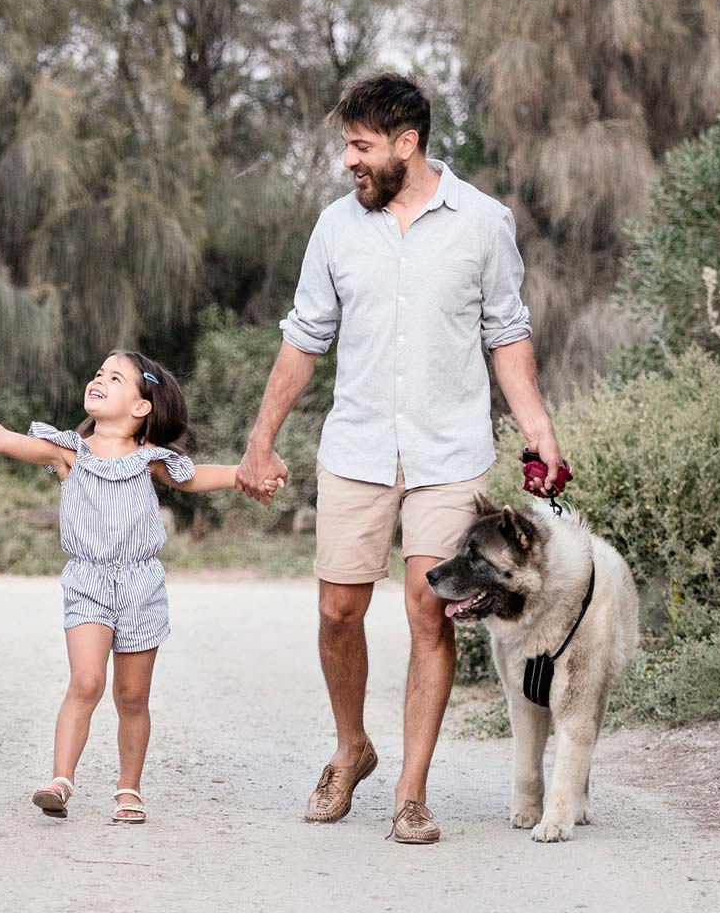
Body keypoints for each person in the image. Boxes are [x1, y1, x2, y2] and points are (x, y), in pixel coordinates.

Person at [234, 72, 566, 844]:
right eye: (347, 147)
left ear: (407, 143)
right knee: (337, 612)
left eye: (361, 146)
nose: (349, 161)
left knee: (428, 608)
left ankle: (411, 793)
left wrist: (539, 428)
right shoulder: (335, 227)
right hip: (356, 447)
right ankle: (352, 748)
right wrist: (260, 439)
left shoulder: (483, 223)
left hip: (449, 453)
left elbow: (506, 334)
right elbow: (304, 338)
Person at [0, 352, 281, 824]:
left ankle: (129, 788)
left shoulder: (150, 460)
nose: (99, 379)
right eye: (99, 373)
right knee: (86, 681)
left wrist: (246, 477)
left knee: (132, 697)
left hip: (141, 586)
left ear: (141, 407)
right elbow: (4, 439)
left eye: (115, 377)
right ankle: (60, 780)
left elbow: (196, 477)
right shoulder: (68, 452)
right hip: (89, 581)